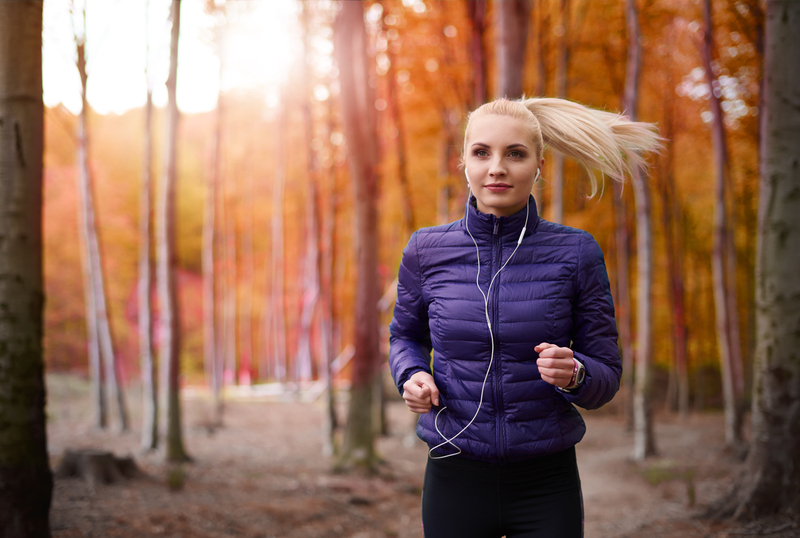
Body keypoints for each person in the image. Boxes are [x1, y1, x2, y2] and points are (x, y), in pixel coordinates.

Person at [388, 97, 661, 538]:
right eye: (482, 152)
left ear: (538, 166)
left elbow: (606, 374)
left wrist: (574, 373)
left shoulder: (576, 252)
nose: (497, 167)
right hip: (454, 471)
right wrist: (412, 375)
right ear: (464, 162)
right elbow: (404, 336)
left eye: (515, 153)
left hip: (546, 482)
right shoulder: (425, 250)